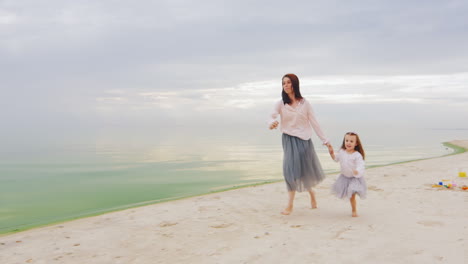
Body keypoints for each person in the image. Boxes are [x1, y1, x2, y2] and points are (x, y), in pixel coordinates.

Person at [269, 73, 330, 215]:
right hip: (288, 139)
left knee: (303, 171)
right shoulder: (280, 103)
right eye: (283, 83)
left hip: (304, 140)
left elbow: (314, 122)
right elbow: (270, 116)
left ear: (295, 84)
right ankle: (290, 205)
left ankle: (312, 194)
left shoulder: (305, 103)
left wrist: (325, 140)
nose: (286, 85)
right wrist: (271, 123)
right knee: (289, 171)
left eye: (288, 82)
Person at [327, 132, 367, 217]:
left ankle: (354, 210)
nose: (348, 143)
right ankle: (353, 208)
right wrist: (331, 153)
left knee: (352, 195)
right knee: (347, 194)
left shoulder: (357, 155)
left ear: (356, 143)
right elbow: (335, 159)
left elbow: (361, 165)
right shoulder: (342, 152)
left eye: (351, 141)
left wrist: (357, 170)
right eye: (347, 140)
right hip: (344, 178)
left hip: (354, 178)